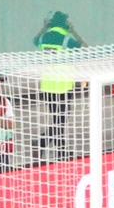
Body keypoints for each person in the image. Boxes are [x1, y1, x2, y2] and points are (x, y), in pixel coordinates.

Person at [35, 10, 82, 161]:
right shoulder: (67, 39)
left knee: (57, 119)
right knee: (61, 120)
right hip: (63, 85)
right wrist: (73, 30)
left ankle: (57, 148)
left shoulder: (44, 37)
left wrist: (44, 28)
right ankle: (50, 145)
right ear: (65, 24)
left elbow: (34, 40)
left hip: (47, 85)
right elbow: (85, 47)